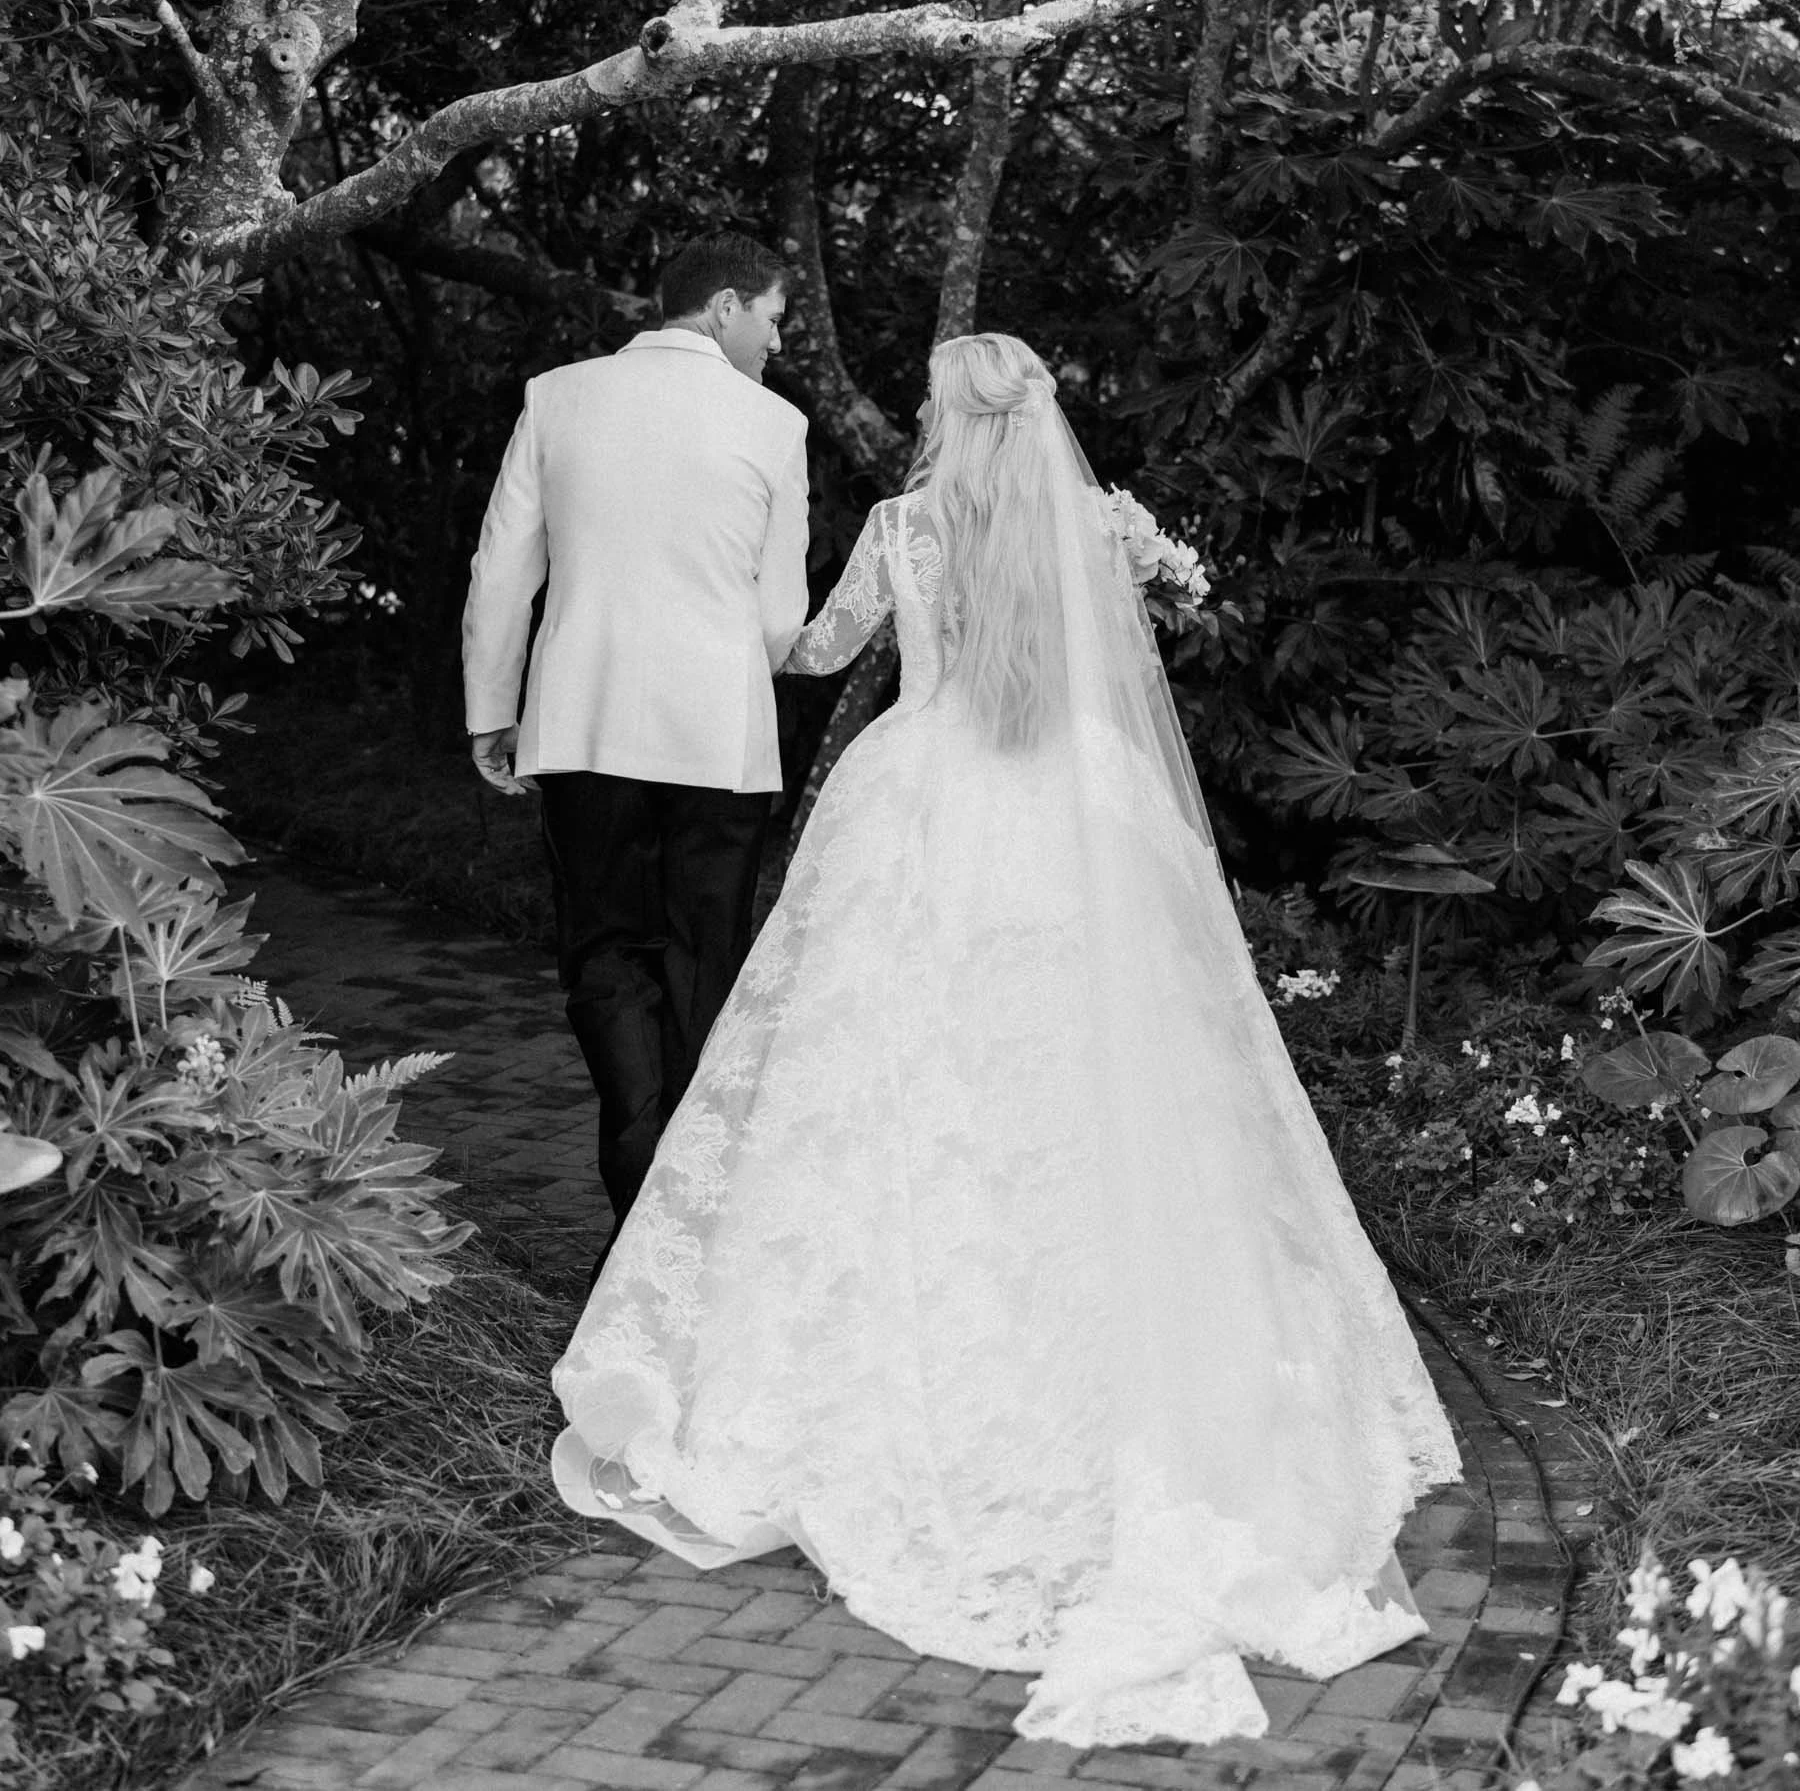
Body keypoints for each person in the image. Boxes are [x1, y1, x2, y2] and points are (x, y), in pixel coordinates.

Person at [549, 331, 1460, 1750]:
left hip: (923, 817)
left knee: (915, 1090)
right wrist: (1167, 569)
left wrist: (712, 585)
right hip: (1074, 824)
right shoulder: (1096, 523)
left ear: (943, 425)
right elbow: (1169, 604)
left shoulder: (902, 530)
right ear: (1041, 423)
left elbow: (813, 649)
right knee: (1095, 1093)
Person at [462, 233, 809, 1269]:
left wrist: (494, 710)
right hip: (718, 738)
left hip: (584, 727)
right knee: (700, 968)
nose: (779, 338)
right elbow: (781, 614)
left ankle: (632, 1184)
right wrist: (715, 664)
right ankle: (683, 1237)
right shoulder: (775, 424)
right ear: (720, 308)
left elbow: (500, 574)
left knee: (605, 957)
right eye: (773, 315)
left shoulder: (557, 397)